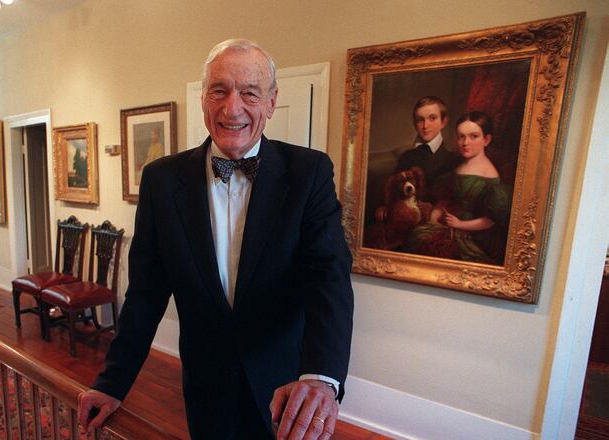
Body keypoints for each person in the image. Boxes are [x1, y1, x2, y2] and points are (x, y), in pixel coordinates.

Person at [77, 39, 354, 440]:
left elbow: (328, 279)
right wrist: (111, 383)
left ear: (272, 102)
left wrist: (320, 377)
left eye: (250, 93)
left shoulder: (309, 172)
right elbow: (146, 294)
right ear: (203, 98)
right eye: (219, 90)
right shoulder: (161, 179)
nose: (232, 108)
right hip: (205, 381)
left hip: (286, 386)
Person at [404, 111, 511, 264]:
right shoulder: (459, 166)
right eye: (461, 136)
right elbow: (448, 198)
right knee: (417, 236)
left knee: (434, 249)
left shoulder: (490, 174)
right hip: (450, 223)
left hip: (473, 235)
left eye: (473, 136)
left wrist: (460, 224)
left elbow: (490, 220)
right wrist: (435, 215)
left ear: (486, 140)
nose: (465, 143)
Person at [375, 96, 459, 222]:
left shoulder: (452, 160)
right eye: (420, 120)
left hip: (434, 221)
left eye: (432, 118)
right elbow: (392, 188)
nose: (425, 125)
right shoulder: (407, 156)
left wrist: (434, 209)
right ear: (415, 124)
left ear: (444, 121)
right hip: (403, 218)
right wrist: (383, 206)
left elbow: (453, 200)